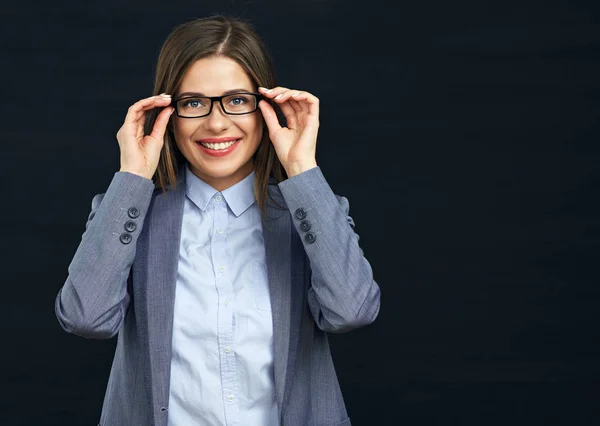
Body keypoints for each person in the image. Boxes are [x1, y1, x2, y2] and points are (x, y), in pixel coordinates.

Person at [54, 14, 380, 426]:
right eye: (193, 103)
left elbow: (351, 310)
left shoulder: (311, 212)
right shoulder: (130, 214)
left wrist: (301, 166)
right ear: (168, 114)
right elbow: (86, 317)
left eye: (237, 100)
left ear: (266, 107)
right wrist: (132, 176)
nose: (216, 123)